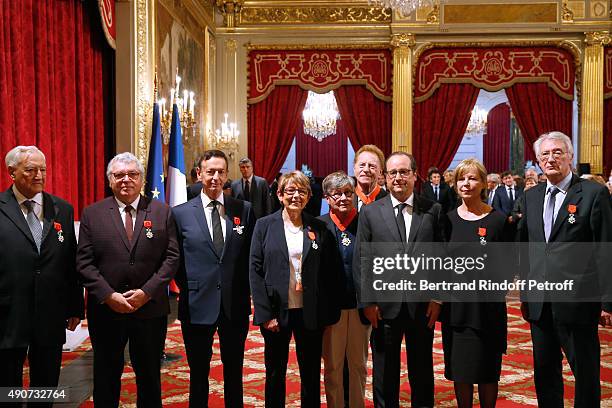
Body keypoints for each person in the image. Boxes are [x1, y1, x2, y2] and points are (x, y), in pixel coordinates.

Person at [77, 152, 180, 407]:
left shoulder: (162, 211)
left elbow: (172, 259)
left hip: (150, 309)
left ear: (142, 179)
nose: (126, 180)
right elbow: (84, 263)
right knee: (105, 377)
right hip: (106, 311)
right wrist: (108, 295)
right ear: (109, 180)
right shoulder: (93, 214)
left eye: (132, 174)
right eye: (119, 175)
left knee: (149, 377)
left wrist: (147, 292)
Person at [518, 131, 612, 407]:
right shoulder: (531, 196)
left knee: (584, 373)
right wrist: (525, 293)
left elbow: (605, 250)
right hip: (539, 303)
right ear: (537, 160)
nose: (551, 158)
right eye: (545, 154)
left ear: (570, 156)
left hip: (578, 300)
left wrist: (607, 301)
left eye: (557, 152)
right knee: (545, 373)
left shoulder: (593, 194)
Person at [354, 152, 444, 407]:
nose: (398, 178)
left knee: (422, 372)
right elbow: (362, 260)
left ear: (415, 176)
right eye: (392, 173)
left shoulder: (433, 210)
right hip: (383, 308)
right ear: (384, 177)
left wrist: (438, 298)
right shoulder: (371, 213)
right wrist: (368, 302)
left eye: (404, 172)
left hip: (422, 306)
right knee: (384, 374)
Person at [250, 171, 341, 407]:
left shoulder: (320, 227)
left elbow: (331, 273)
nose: (296, 196)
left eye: (302, 191)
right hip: (276, 313)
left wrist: (327, 313)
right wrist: (264, 315)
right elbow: (255, 272)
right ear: (280, 195)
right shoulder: (264, 226)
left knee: (310, 374)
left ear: (309, 196)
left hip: (310, 312)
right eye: (290, 190)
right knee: (274, 372)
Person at [0, 146, 83, 403]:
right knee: (6, 388)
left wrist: (75, 306)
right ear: (12, 172)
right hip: (7, 315)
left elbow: (71, 260)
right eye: (31, 170)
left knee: (45, 386)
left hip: (50, 313)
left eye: (43, 170)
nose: (39, 175)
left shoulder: (62, 209)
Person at [172, 150, 255, 407]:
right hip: (196, 303)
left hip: (234, 304)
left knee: (234, 374)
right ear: (199, 174)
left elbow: (251, 256)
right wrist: (192, 287)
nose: (215, 177)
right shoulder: (180, 213)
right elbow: (175, 262)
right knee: (198, 375)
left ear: (227, 175)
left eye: (221, 172)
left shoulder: (244, 209)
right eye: (210, 172)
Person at [441, 158, 510, 408]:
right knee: (461, 371)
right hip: (456, 310)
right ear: (455, 183)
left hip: (487, 309)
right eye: (461, 178)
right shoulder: (446, 220)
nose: (466, 183)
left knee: (488, 370)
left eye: (472, 178)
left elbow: (509, 265)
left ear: (483, 183)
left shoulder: (498, 221)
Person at [318, 171, 370, 408]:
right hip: (331, 311)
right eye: (336, 194)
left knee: (358, 365)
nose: (343, 198)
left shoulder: (367, 223)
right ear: (327, 198)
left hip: (361, 308)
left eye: (348, 193)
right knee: (333, 366)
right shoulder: (318, 226)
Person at [352, 144, 388, 211]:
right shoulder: (344, 200)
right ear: (354, 168)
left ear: (380, 172)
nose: (366, 170)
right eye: (362, 165)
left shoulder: (389, 201)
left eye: (372, 166)